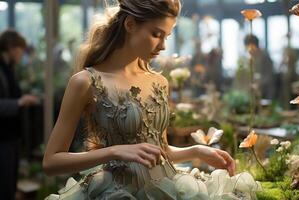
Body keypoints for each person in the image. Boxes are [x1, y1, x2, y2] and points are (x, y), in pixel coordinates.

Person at [43, 1, 259, 199]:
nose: (163, 45)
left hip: (166, 188)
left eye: (167, 36)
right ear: (130, 24)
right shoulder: (84, 82)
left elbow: (159, 150)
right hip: (114, 192)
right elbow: (51, 162)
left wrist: (196, 151)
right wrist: (113, 151)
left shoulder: (159, 82)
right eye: (156, 34)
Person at [0, 29, 39, 200]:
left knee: (10, 182)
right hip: (2, 137)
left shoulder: (9, 69)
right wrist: (19, 102)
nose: (21, 53)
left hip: (11, 136)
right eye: (19, 49)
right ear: (10, 47)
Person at [244, 34, 275, 99]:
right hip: (258, 91)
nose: (248, 50)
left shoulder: (264, 56)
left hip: (267, 91)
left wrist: (258, 83)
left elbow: (269, 75)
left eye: (248, 47)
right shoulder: (253, 56)